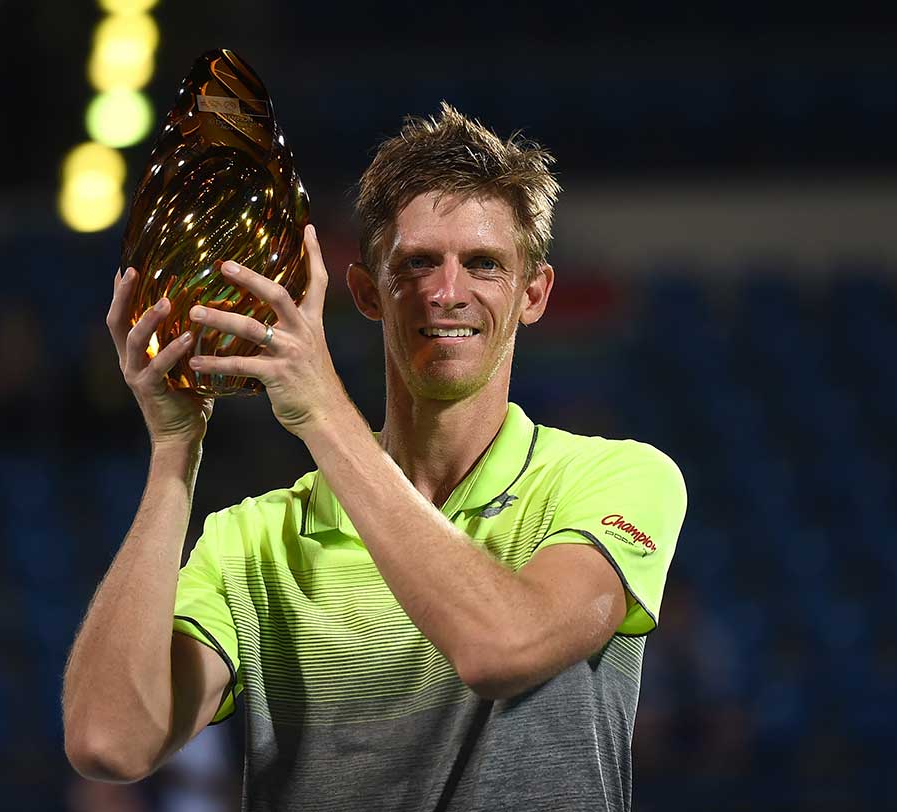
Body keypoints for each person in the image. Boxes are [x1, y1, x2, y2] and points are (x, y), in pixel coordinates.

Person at [63, 103, 687, 811]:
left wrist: (321, 410)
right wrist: (174, 451)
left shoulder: (617, 479)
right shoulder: (254, 541)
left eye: (483, 263)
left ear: (533, 293)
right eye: (416, 263)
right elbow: (108, 742)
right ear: (366, 291)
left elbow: (499, 648)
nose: (446, 292)